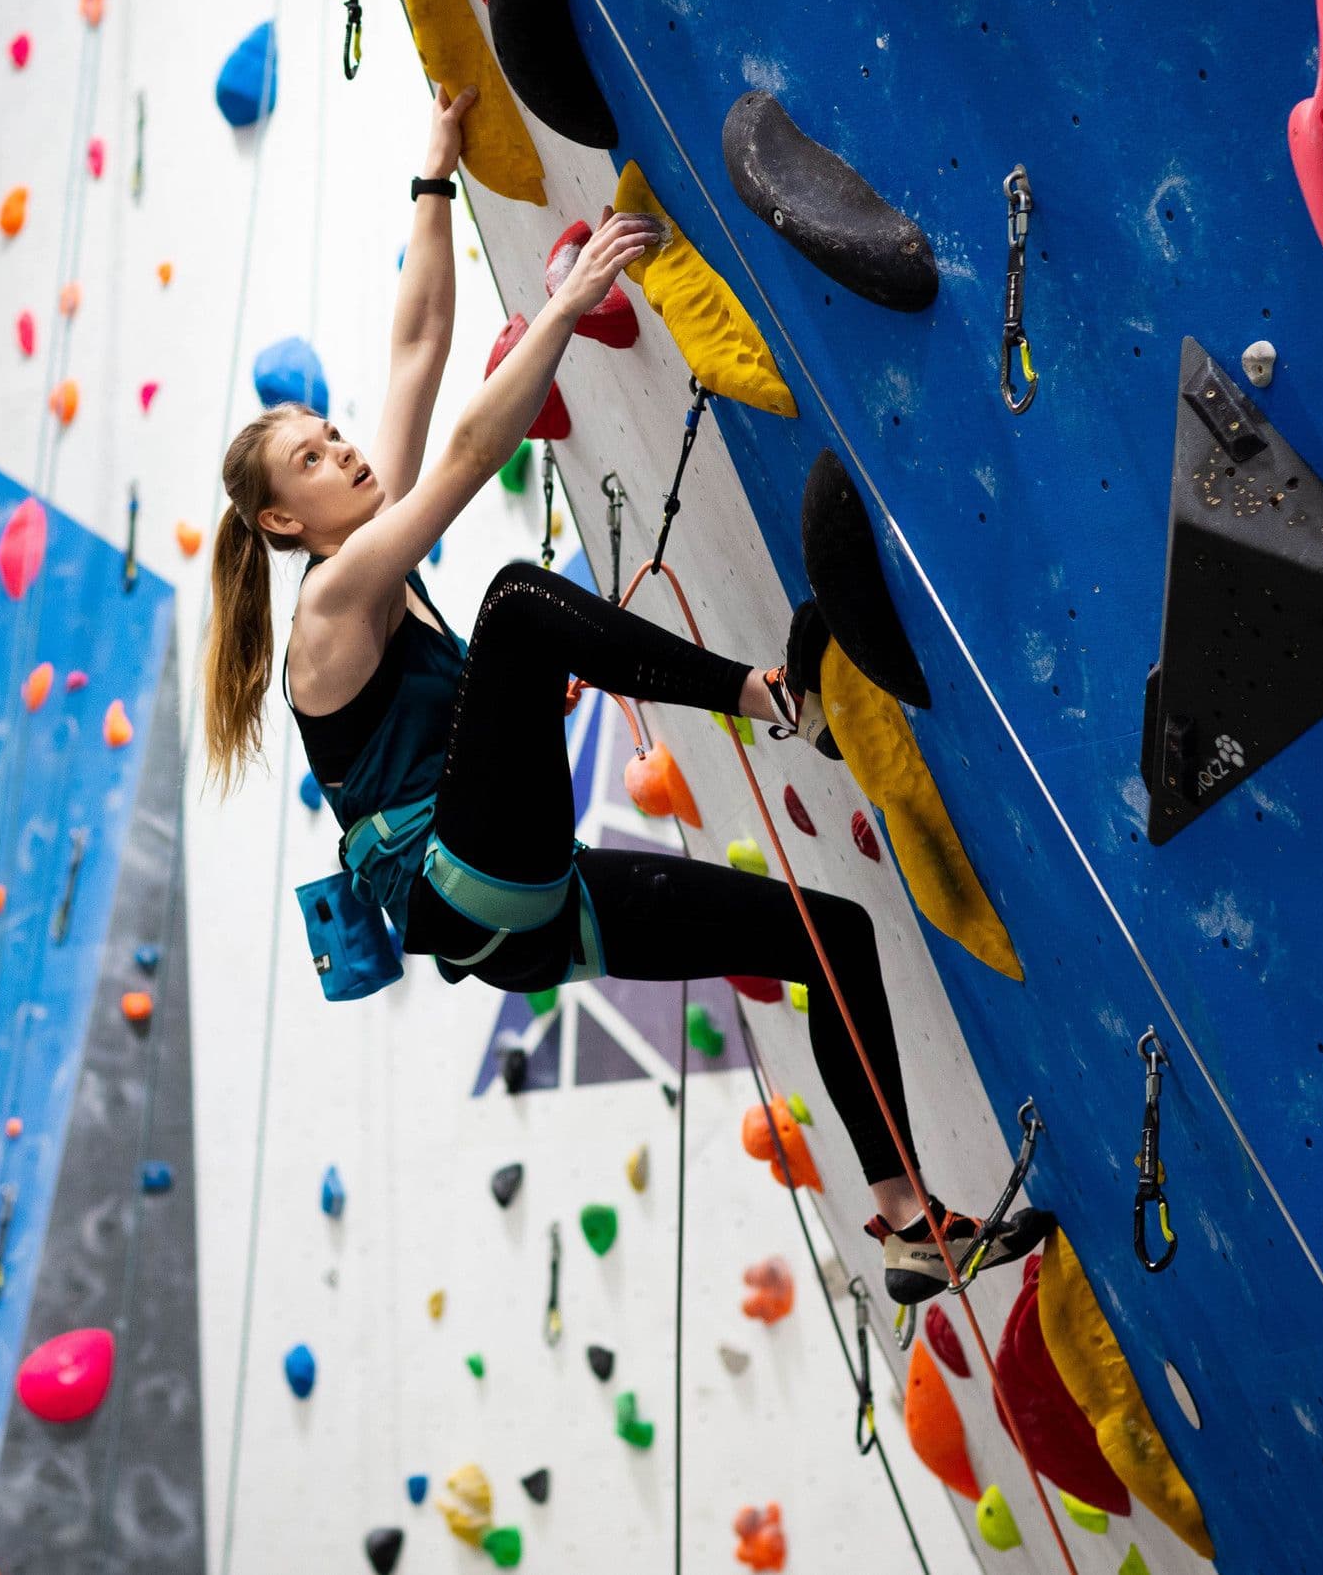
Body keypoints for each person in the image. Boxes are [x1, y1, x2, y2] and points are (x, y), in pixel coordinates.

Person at [201, 86, 1043, 1300]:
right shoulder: (332, 606)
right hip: (463, 879)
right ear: (286, 521)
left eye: (331, 434)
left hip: (532, 914)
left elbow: (419, 346)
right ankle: (764, 695)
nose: (343, 450)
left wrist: (433, 176)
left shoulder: (364, 536)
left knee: (828, 935)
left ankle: (908, 1216)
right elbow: (472, 453)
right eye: (315, 460)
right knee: (513, 601)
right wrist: (564, 303)